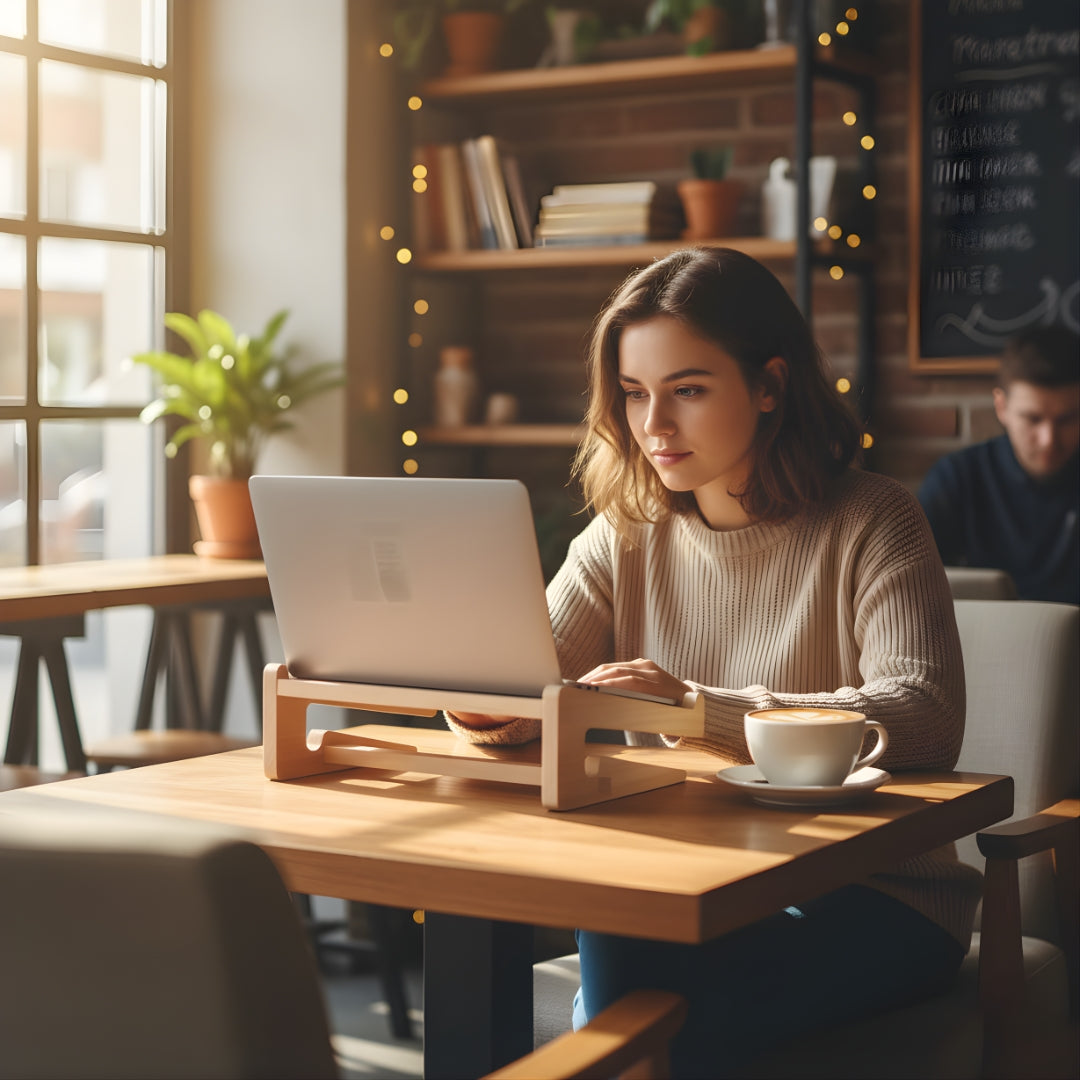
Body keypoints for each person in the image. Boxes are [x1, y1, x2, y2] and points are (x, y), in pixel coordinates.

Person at [446, 247, 979, 1077]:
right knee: (629, 945)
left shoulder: (875, 518)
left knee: (639, 1005)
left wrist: (699, 710)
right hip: (696, 884)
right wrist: (482, 700)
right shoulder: (624, 533)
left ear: (769, 385)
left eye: (687, 390)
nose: (654, 426)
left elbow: (924, 714)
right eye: (634, 393)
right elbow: (529, 684)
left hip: (874, 898)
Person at [917, 326, 1079, 605]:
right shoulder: (957, 478)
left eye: (1067, 419)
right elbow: (911, 585)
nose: (1048, 440)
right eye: (1033, 419)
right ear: (1001, 407)